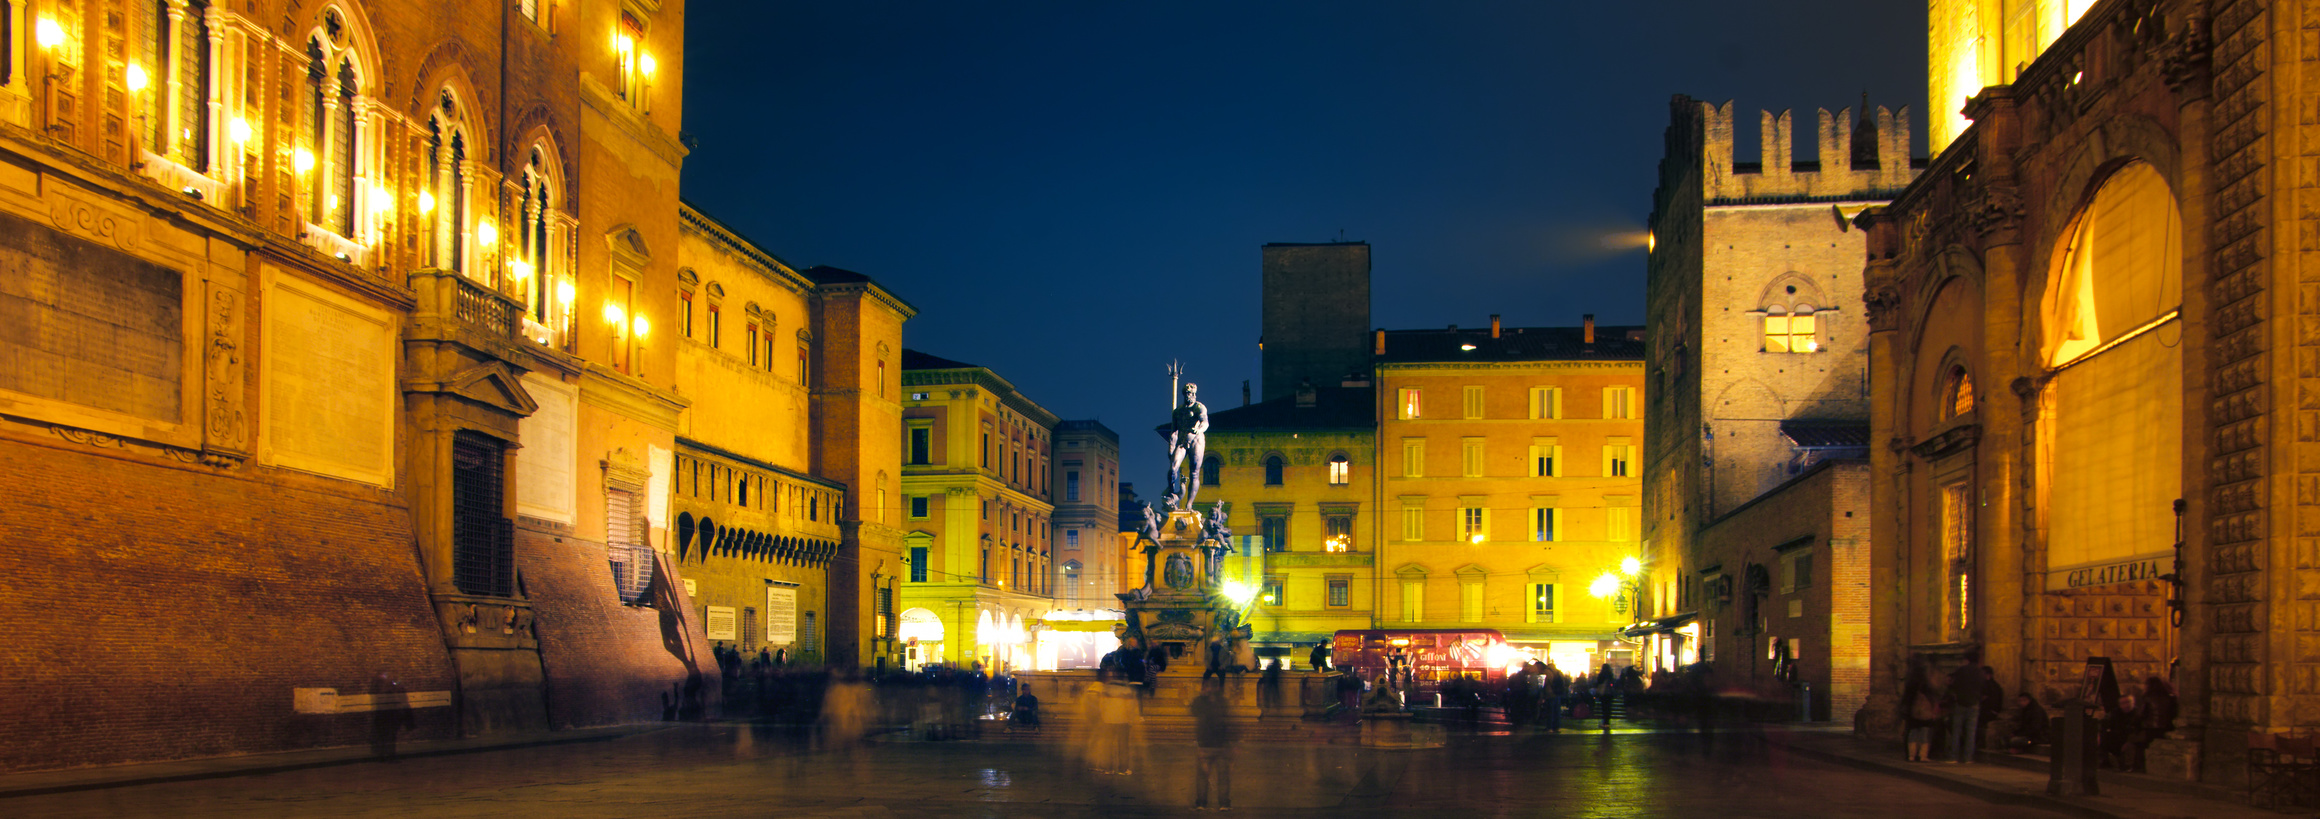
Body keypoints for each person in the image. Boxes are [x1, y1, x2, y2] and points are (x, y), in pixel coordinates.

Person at [1191, 677, 1233, 810]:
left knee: (1203, 776)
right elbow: (1228, 722)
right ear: (1218, 688)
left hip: (1205, 744)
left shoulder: (1201, 702)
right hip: (1220, 744)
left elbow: (1194, 712)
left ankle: (1201, 803)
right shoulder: (1222, 702)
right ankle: (1224, 804)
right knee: (1223, 777)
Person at [1166, 382, 1210, 507]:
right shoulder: (1178, 411)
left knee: (1194, 472)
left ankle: (1189, 503)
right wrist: (1170, 448)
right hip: (1182, 441)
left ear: (1194, 394)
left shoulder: (1199, 407)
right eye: (1185, 393)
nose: (1187, 396)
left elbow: (1205, 423)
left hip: (1196, 441)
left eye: (1190, 394)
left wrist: (1199, 429)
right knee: (1173, 469)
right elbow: (1173, 432)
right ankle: (1171, 494)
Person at [1944, 650, 1986, 763]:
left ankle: (1953, 756)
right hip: (1974, 703)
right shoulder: (1980, 672)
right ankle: (1968, 758)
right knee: (1970, 732)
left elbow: (1954, 684)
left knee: (1956, 731)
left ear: (1967, 659)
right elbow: (1983, 687)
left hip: (1961, 703)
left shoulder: (1962, 670)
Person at [1900, 655, 1942, 762]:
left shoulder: (1910, 680)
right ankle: (1922, 755)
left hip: (1912, 709)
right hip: (1924, 710)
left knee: (1912, 732)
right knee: (1924, 733)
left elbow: (1906, 696)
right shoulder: (1926, 681)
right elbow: (1933, 693)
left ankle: (1911, 755)